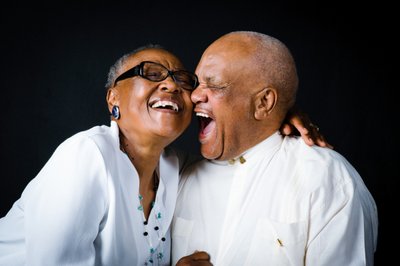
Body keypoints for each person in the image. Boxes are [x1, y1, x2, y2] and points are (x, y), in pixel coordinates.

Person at [0, 44, 327, 265]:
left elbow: (244, 123)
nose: (172, 86)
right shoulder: (86, 156)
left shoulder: (175, 170)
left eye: (182, 80)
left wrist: (276, 112)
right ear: (113, 97)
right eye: (151, 73)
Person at [172, 31, 378, 265]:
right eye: (197, 83)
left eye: (215, 84)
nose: (195, 95)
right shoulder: (174, 176)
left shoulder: (328, 180)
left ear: (264, 102)